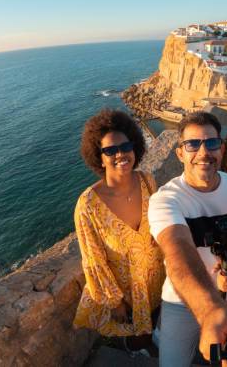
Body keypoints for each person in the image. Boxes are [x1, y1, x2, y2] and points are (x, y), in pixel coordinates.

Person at [148, 111, 227, 367]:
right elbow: (177, 249)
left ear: (222, 148)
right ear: (180, 153)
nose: (203, 152)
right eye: (192, 144)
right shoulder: (166, 199)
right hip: (181, 302)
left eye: (211, 143)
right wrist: (209, 311)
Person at [73, 109, 166, 348]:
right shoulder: (88, 205)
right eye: (110, 150)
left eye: (125, 147)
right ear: (99, 157)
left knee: (155, 325)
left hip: (157, 282)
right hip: (126, 293)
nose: (120, 155)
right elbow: (93, 261)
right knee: (134, 336)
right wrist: (115, 302)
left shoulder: (147, 181)